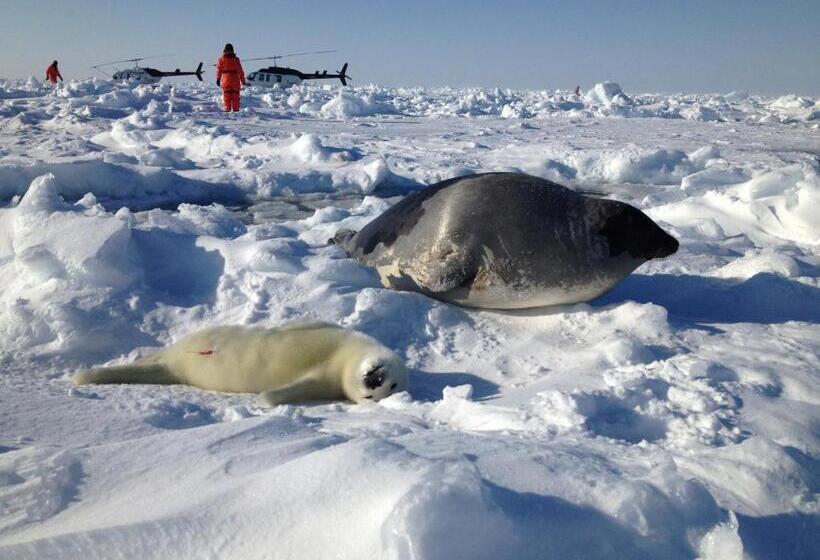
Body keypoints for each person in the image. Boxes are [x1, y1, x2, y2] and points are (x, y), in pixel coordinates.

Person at [216, 43, 245, 112]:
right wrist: (243, 81)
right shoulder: (236, 59)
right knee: (235, 96)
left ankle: (227, 110)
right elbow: (240, 71)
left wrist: (218, 79)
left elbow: (219, 70)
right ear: (233, 50)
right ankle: (236, 111)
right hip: (235, 79)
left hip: (225, 79)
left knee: (227, 96)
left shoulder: (221, 60)